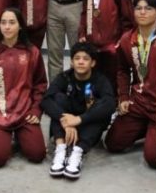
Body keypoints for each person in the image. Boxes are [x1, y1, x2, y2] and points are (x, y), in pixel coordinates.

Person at [104, 0, 156, 167]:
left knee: (153, 159)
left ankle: (152, 130)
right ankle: (145, 128)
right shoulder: (127, 39)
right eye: (138, 8)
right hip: (138, 101)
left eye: (148, 8)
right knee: (112, 143)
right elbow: (122, 70)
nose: (142, 12)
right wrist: (123, 97)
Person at [0, 8, 48, 168]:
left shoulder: (32, 52)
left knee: (37, 154)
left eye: (12, 22)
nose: (7, 27)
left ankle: (20, 135)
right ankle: (3, 137)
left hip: (24, 113)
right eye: (3, 22)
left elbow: (40, 84)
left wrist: (36, 110)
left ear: (20, 26)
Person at [42, 42, 116, 179]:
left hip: (87, 125)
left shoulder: (100, 80)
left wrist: (79, 120)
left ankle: (78, 152)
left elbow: (110, 104)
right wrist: (65, 120)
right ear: (71, 62)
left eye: (85, 59)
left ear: (93, 63)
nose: (81, 62)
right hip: (66, 124)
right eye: (77, 58)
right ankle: (60, 148)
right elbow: (46, 100)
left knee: (101, 108)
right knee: (57, 99)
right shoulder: (64, 77)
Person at [78, 0, 133, 91]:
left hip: (112, 42)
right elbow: (84, 12)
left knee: (111, 77)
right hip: (91, 40)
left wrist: (123, 38)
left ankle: (113, 101)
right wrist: (82, 33)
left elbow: (125, 14)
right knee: (93, 77)